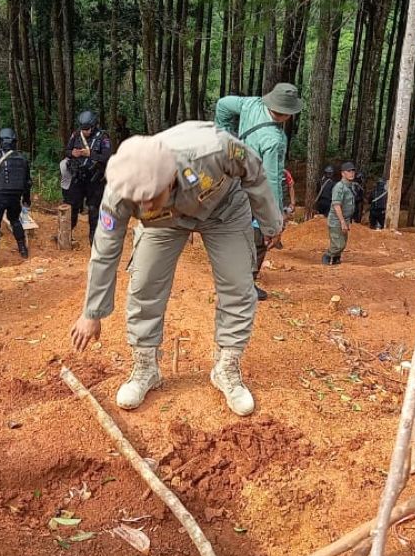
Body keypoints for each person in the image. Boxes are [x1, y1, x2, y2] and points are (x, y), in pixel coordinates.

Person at [69, 121, 283, 416]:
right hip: (165, 223)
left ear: (169, 177)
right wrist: (91, 313)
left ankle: (226, 367)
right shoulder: (121, 190)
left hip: (224, 210)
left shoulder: (215, 149)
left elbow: (254, 171)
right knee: (144, 285)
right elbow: (104, 250)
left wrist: (270, 222)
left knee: (238, 285)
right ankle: (145, 368)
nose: (142, 203)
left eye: (150, 196)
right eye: (137, 199)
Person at [215, 82, 303, 301]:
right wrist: (274, 221)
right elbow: (272, 180)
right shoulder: (274, 140)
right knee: (260, 237)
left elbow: (222, 104)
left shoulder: (251, 104)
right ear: (287, 114)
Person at [0, 128, 32, 269]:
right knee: (15, 220)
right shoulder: (22, 159)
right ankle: (23, 250)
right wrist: (26, 199)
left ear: (0, 141)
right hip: (15, 198)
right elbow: (27, 183)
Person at [65, 110, 114, 245]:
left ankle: (93, 236)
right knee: (73, 205)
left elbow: (107, 157)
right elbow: (67, 151)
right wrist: (72, 153)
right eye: (83, 129)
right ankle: (68, 232)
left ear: (93, 126)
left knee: (93, 208)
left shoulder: (103, 137)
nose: (85, 132)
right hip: (78, 177)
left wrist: (90, 154)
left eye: (87, 129)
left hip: (95, 179)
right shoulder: (76, 135)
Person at [324, 162, 357, 265]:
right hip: (336, 220)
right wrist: (342, 221)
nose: (352, 173)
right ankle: (327, 257)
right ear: (343, 174)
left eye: (353, 171)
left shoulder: (350, 186)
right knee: (338, 244)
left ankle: (336, 259)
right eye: (349, 171)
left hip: (345, 219)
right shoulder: (339, 187)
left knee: (343, 242)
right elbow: (336, 204)